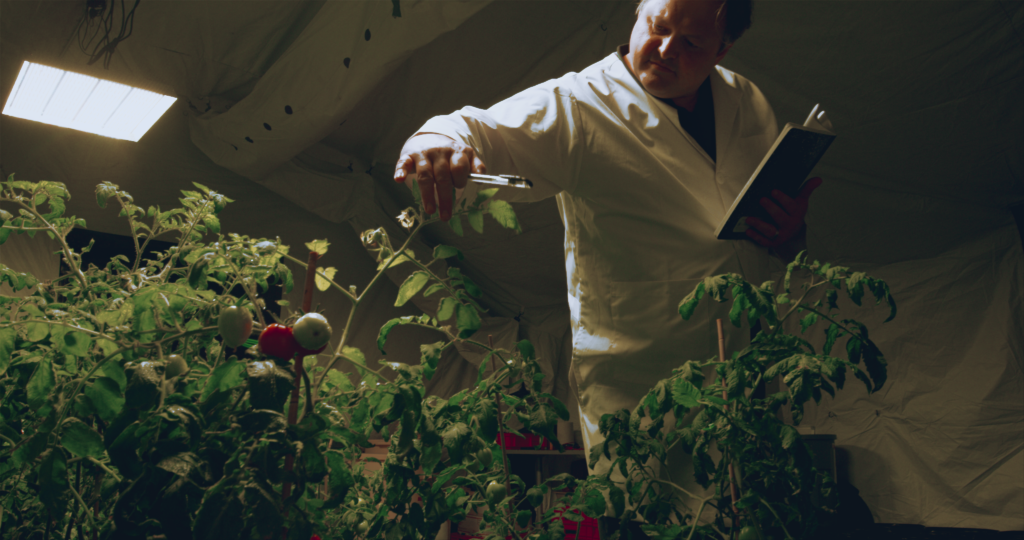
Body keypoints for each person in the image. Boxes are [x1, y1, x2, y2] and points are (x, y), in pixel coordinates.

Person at [394, 0, 820, 535]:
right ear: (640, 8)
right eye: (657, 26)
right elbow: (477, 130)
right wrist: (436, 139)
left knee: (758, 515)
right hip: (644, 386)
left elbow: (755, 225)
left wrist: (787, 231)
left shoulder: (745, 100)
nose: (664, 50)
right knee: (653, 518)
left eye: (690, 43)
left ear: (724, 48)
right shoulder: (577, 106)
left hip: (749, 372)